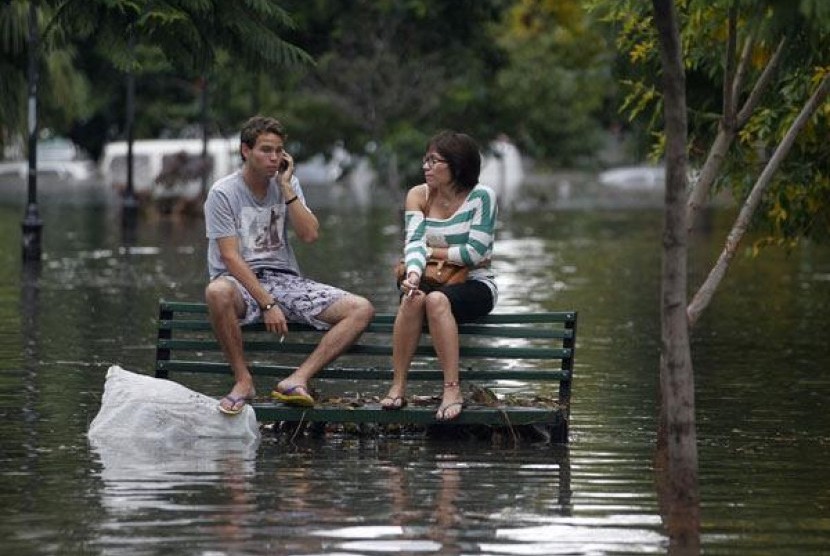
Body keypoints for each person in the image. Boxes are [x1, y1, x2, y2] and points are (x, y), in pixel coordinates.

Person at [204, 116, 374, 415]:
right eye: (266, 150)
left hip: (285, 280)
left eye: (279, 151)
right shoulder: (223, 192)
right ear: (246, 151)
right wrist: (267, 304)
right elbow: (230, 257)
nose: (274, 158)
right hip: (239, 282)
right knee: (216, 291)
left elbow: (309, 235)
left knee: (361, 309)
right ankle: (243, 381)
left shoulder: (288, 184)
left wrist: (285, 187)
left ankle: (297, 379)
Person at [381, 131, 498, 421]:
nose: (426, 167)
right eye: (426, 160)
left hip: (476, 284)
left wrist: (431, 250)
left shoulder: (482, 197)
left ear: (457, 165)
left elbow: (474, 255)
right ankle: (398, 386)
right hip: (427, 278)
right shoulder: (417, 195)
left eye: (434, 161)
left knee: (435, 301)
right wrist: (411, 273)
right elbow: (413, 244)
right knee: (412, 298)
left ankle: (452, 389)